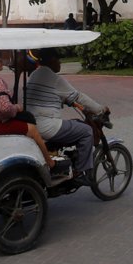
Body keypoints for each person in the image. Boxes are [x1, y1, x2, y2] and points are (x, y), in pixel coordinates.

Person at [24, 47, 107, 184]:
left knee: (72, 125)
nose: (60, 63)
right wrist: (100, 109)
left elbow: (57, 96)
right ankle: (81, 172)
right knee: (86, 131)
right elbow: (79, 97)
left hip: (32, 123)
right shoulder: (55, 78)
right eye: (59, 60)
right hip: (46, 126)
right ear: (52, 60)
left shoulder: (34, 74)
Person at [0, 50, 54, 167]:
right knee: (32, 129)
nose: (2, 62)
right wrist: (17, 108)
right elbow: (5, 109)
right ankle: (50, 162)